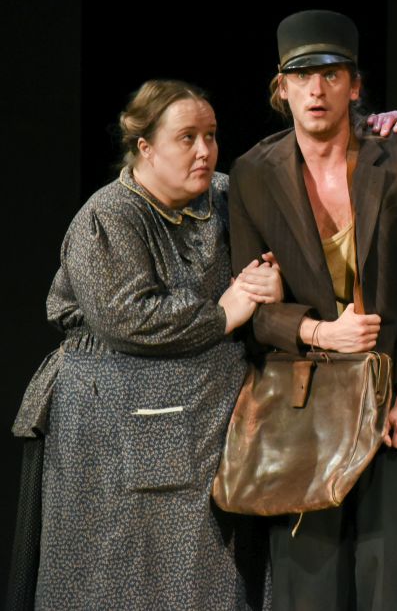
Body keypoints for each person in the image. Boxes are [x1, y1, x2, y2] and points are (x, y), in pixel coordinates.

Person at [12, 79, 280, 610]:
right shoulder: (109, 215)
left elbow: (268, 256)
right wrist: (224, 312)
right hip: (116, 422)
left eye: (210, 135)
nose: (204, 150)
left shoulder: (226, 196)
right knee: (120, 572)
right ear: (146, 147)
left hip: (209, 419)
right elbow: (127, 317)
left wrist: (271, 279)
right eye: (187, 138)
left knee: (209, 574)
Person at [227, 10, 397, 610]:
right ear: (282, 87)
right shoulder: (253, 174)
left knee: (396, 581)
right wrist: (321, 332)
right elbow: (252, 307)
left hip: (395, 393)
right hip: (305, 402)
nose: (315, 91)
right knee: (309, 585)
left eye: (330, 74)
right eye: (301, 76)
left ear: (354, 84)